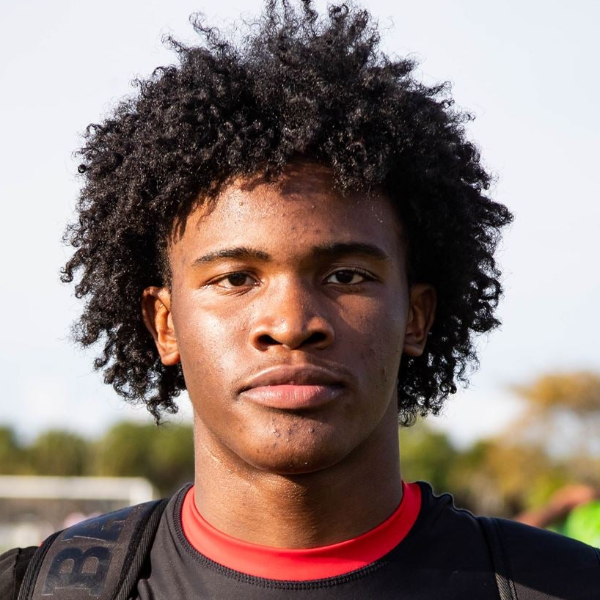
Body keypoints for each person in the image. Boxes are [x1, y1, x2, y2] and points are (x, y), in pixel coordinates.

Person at [2, 1, 599, 598]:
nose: (290, 324)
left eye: (346, 276)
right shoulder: (36, 588)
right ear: (165, 324)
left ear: (417, 317)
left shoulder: (569, 586)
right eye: (236, 278)